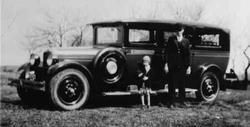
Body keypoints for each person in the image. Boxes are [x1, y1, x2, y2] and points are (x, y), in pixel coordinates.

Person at [164, 25, 191, 108]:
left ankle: (182, 102)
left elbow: (187, 55)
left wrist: (188, 66)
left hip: (182, 65)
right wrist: (166, 64)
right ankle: (171, 102)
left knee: (182, 84)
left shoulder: (186, 41)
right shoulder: (171, 39)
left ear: (183, 30)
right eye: (177, 30)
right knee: (171, 84)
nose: (178, 32)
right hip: (172, 65)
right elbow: (167, 52)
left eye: (179, 30)